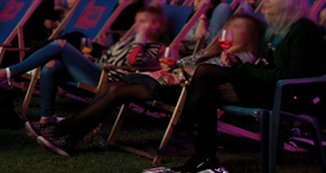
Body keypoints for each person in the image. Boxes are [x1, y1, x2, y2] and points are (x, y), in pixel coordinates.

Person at [166, 0, 326, 173]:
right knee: (207, 83)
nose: (266, 0)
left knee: (206, 75)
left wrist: (243, 69)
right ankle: (201, 155)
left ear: (288, 1)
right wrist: (239, 65)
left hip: (289, 93)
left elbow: (292, 75)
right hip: (267, 86)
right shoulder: (276, 29)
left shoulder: (303, 29)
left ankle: (185, 136)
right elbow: (265, 65)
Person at [27, 14, 265, 156]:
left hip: (187, 92)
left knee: (118, 90)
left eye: (237, 27)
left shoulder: (246, 58)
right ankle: (67, 137)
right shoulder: (209, 51)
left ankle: (63, 131)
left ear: (250, 34)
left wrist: (192, 68)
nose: (229, 30)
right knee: (111, 86)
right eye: (229, 25)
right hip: (169, 80)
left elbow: (215, 78)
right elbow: (182, 62)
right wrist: (176, 64)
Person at [0, 6, 168, 124]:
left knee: (61, 44)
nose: (138, 26)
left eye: (143, 22)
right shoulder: (127, 42)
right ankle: (47, 118)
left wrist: (141, 40)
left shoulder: (155, 48)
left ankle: (9, 73)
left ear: (157, 25)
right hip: (98, 70)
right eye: (137, 22)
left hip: (108, 83)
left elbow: (135, 62)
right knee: (52, 64)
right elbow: (107, 57)